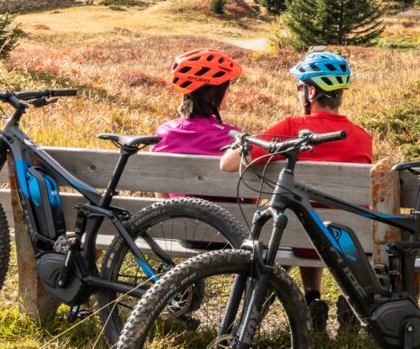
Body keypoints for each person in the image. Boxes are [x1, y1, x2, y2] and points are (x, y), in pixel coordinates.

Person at [220, 50, 374, 332]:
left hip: (297, 236)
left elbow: (229, 164)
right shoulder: (363, 137)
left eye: (300, 87)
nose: (298, 93)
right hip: (350, 241)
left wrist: (239, 144)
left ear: (312, 91)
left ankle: (311, 301)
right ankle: (340, 303)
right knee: (317, 217)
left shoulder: (292, 128)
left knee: (300, 220)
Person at [150, 48, 243, 167]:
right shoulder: (232, 137)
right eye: (227, 88)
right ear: (214, 94)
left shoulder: (164, 132)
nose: (229, 91)